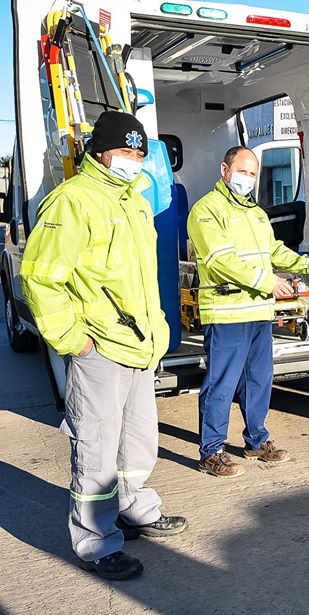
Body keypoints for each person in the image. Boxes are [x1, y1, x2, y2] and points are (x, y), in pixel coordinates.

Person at [21, 110, 187, 581]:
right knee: (95, 448)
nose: (133, 161)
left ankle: (134, 509)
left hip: (139, 347)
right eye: (125, 152)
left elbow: (141, 278)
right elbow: (40, 278)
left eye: (139, 153)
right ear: (101, 152)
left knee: (137, 443)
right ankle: (96, 541)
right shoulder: (72, 201)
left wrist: (156, 332)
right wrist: (74, 341)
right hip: (100, 349)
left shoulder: (133, 201)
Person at [187, 146, 309, 477]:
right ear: (225, 170)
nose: (248, 179)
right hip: (227, 312)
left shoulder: (255, 213)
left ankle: (256, 441)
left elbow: (274, 251)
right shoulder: (206, 210)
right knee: (222, 384)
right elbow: (220, 260)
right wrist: (267, 281)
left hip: (257, 311)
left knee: (259, 379)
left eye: (253, 174)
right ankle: (210, 451)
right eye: (242, 171)